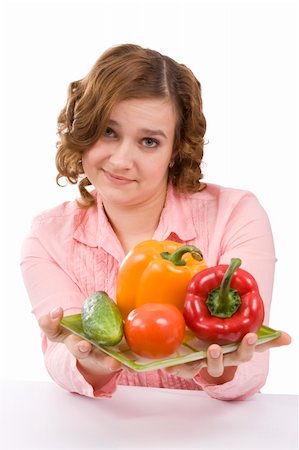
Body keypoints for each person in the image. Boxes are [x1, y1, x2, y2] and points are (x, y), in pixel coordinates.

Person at [20, 43, 290, 400]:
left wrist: (224, 368)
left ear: (176, 149)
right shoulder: (48, 238)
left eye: (149, 141)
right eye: (108, 131)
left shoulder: (235, 214)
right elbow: (62, 357)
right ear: (83, 129)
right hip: (104, 433)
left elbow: (249, 364)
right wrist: (90, 361)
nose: (121, 160)